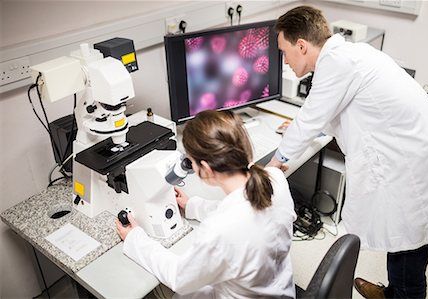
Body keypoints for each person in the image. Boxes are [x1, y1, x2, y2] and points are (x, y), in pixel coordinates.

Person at [268, 5, 428, 299]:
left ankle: (402, 294)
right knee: (403, 237)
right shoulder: (349, 55)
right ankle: (392, 292)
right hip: (418, 154)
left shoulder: (338, 62)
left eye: (284, 52)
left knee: (409, 246)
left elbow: (311, 117)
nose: (285, 61)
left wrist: (275, 165)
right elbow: (337, 109)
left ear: (301, 45)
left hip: (414, 167)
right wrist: (307, 125)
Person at [116, 110, 297, 299]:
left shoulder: (218, 231)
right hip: (279, 289)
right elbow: (240, 209)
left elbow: (180, 278)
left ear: (207, 169)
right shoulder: (274, 179)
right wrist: (192, 206)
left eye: (191, 163)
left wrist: (135, 239)